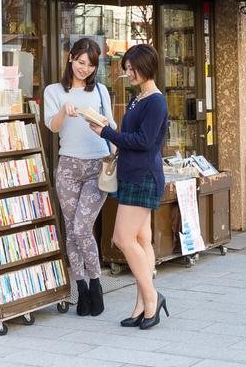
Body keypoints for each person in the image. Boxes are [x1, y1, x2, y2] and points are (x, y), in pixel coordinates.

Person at [86, 43, 169, 331]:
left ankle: (152, 299)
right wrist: (110, 130)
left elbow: (144, 142)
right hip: (133, 173)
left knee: (123, 238)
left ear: (147, 68)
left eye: (133, 69)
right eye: (127, 70)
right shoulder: (139, 98)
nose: (129, 74)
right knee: (142, 240)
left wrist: (107, 132)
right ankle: (140, 305)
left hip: (143, 176)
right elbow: (134, 137)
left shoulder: (156, 101)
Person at [44, 37, 116, 317]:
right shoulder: (54, 91)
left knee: (82, 228)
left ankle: (96, 282)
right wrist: (64, 110)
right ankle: (81, 287)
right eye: (80, 62)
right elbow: (52, 127)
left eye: (90, 65)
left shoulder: (100, 90)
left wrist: (112, 147)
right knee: (71, 230)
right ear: (71, 59)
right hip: (69, 167)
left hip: (97, 165)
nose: (84, 68)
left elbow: (111, 123)